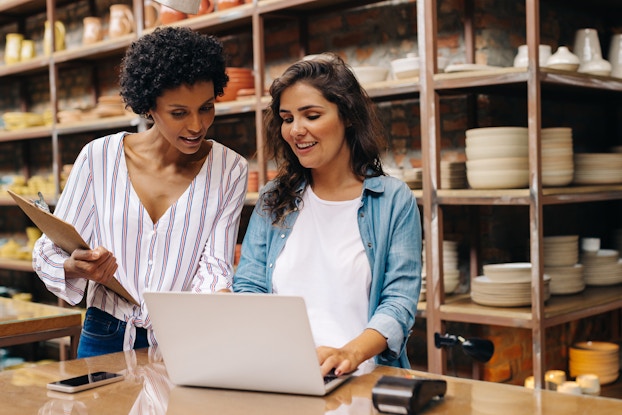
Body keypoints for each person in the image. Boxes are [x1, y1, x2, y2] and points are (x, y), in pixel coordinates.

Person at [33, 27, 248, 358]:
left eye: (206, 107)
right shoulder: (99, 157)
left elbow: (215, 267)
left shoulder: (230, 168)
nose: (196, 125)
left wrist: (225, 312)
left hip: (184, 338)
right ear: (149, 106)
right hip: (105, 333)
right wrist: (77, 267)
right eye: (179, 113)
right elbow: (50, 250)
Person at [233, 53, 421, 377]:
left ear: (346, 116)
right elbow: (248, 287)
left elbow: (399, 303)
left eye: (312, 115)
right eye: (287, 118)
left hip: (360, 377)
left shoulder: (392, 200)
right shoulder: (273, 198)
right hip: (284, 376)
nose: (296, 130)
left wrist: (349, 353)